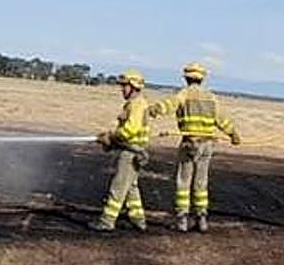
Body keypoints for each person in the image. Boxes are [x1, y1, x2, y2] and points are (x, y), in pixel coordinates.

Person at [148, 62, 240, 232]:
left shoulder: (184, 94)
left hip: (189, 143)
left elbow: (168, 105)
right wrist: (233, 134)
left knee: (183, 181)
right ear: (202, 79)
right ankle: (202, 219)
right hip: (207, 144)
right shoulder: (211, 97)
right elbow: (221, 119)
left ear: (186, 78)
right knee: (201, 182)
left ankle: (182, 219)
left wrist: (153, 110)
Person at [88, 70, 151, 232]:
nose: (122, 89)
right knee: (131, 187)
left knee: (119, 186)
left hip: (131, 153)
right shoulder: (135, 104)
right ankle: (139, 219)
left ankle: (107, 221)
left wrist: (111, 137)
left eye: (125, 86)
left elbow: (129, 131)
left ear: (134, 86)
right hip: (133, 151)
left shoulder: (137, 105)